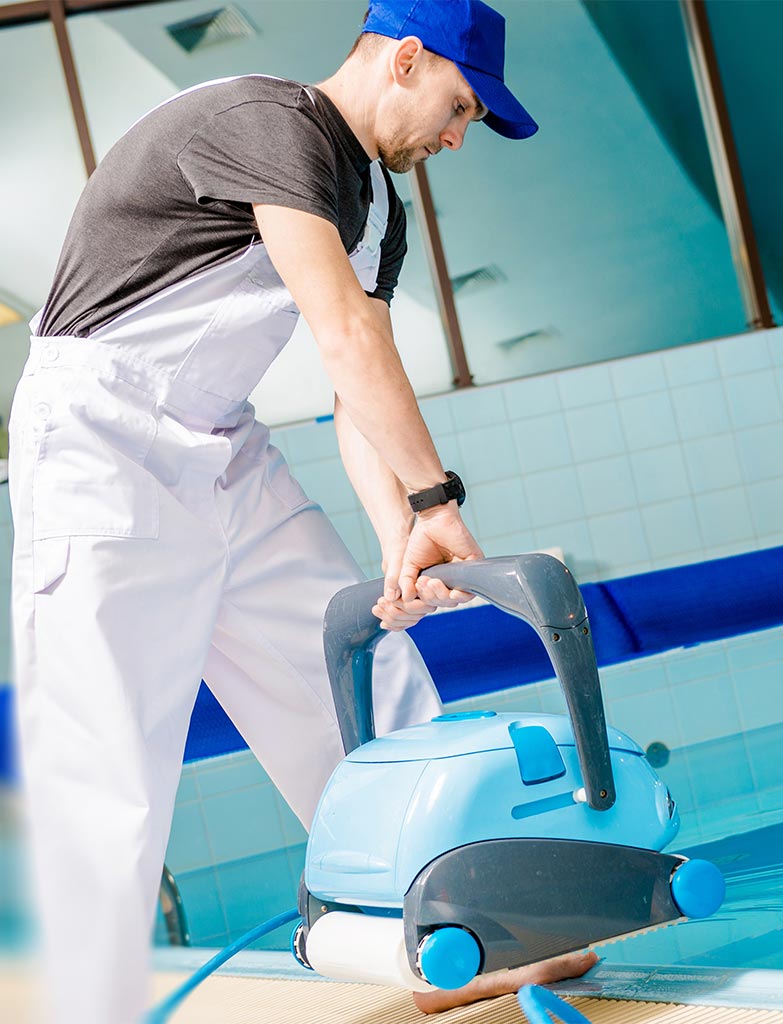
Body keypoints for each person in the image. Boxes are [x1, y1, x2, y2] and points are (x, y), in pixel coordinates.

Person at [7, 2, 596, 1021]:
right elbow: (341, 337)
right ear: (405, 60)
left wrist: (399, 537)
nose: (459, 137)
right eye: (461, 107)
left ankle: (453, 933)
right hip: (103, 440)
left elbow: (352, 398)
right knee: (108, 771)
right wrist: (435, 499)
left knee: (366, 676)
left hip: (221, 448)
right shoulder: (268, 120)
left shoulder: (377, 206)